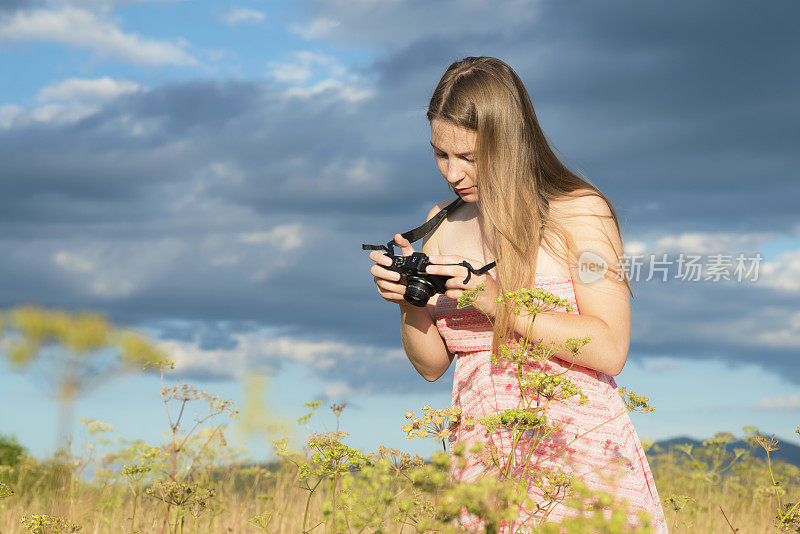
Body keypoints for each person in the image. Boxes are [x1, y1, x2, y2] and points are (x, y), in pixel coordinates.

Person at [368, 56, 668, 533]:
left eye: (469, 157)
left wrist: (496, 303)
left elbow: (610, 349)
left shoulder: (581, 214)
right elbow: (430, 367)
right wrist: (409, 302)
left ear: (510, 141)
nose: (452, 173)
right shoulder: (441, 224)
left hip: (575, 451)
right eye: (440, 154)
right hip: (483, 459)